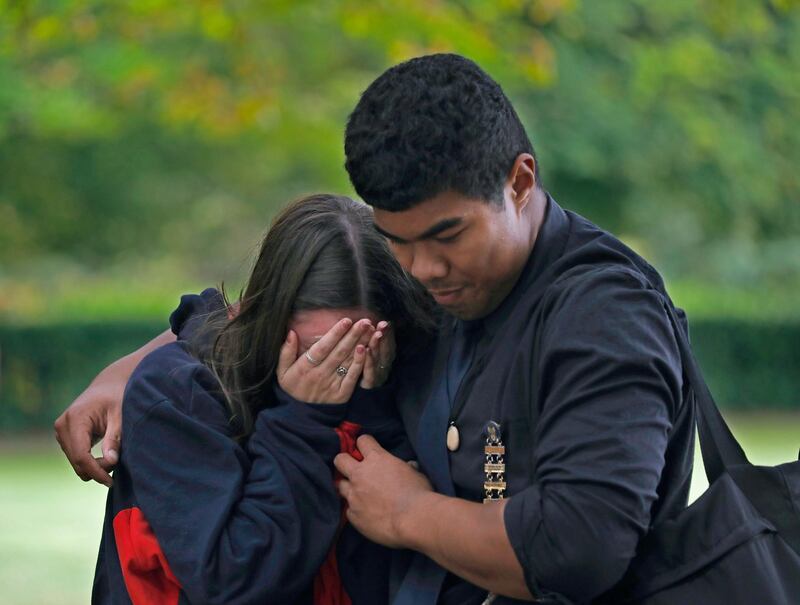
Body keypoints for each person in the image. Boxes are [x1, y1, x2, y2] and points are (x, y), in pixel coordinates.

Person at [58, 54, 697, 604]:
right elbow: (241, 320)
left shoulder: (605, 314)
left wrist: (409, 513)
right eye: (400, 243)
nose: (426, 269)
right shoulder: (450, 284)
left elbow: (581, 548)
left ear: (520, 182)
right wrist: (131, 371)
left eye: (448, 235)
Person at [90, 193, 436, 604]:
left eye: (359, 348)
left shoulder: (405, 376)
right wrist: (301, 424)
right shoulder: (181, 393)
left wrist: (372, 407)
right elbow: (238, 583)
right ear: (267, 317)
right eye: (317, 352)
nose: (337, 369)